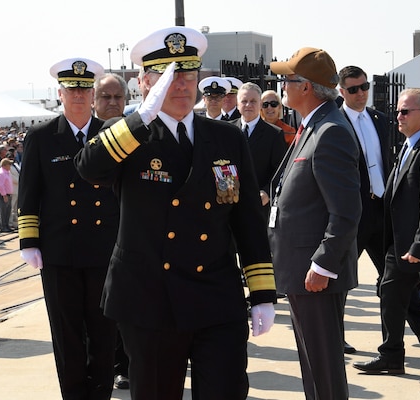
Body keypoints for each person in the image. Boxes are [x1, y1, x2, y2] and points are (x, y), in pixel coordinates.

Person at [74, 26, 277, 400]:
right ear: (145, 81)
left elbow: (246, 217)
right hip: (150, 297)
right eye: (170, 76)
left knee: (227, 391)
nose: (182, 85)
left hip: (216, 293)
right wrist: (139, 119)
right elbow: (89, 168)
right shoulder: (129, 136)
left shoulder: (226, 138)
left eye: (188, 74)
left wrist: (262, 291)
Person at [18, 57, 120, 399]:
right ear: (60, 94)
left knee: (104, 335)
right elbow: (29, 193)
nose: (78, 95)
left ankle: (101, 393)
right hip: (60, 252)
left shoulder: (110, 135)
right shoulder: (42, 137)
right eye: (71, 89)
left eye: (84, 88)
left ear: (93, 94)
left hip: (105, 250)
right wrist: (28, 240)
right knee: (67, 336)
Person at [268, 47, 361, 400]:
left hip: (316, 275)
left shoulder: (330, 132)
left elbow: (346, 211)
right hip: (303, 271)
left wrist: (323, 262)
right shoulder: (314, 127)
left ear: (306, 87)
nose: (282, 87)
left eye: (287, 80)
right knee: (314, 368)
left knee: (323, 371)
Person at [352, 88, 420, 387]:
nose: (399, 116)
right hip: (400, 245)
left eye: (406, 111)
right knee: (390, 293)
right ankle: (391, 355)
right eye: (398, 111)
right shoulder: (408, 145)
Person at [338, 66, 420, 355]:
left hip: (382, 211)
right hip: (352, 213)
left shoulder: (380, 119)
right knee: (342, 276)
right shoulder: (334, 122)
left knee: (393, 277)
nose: (360, 93)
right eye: (353, 89)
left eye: (364, 87)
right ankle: (335, 336)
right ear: (341, 91)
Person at [93, 72, 130, 391]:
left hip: (130, 238)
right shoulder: (87, 138)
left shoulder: (139, 135)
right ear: (94, 101)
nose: (112, 103)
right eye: (105, 97)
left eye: (118, 97)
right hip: (91, 241)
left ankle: (126, 364)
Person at [231, 82, 287, 219]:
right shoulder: (227, 131)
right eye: (244, 101)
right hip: (230, 206)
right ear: (238, 105)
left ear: (260, 105)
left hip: (259, 207)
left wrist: (268, 192)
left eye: (253, 101)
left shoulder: (274, 134)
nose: (248, 105)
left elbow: (281, 171)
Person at [0, 157, 13, 232]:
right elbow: (0, 185)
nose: (10, 166)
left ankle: (6, 225)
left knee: (7, 211)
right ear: (5, 165)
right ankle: (3, 227)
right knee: (3, 211)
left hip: (8, 194)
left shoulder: (7, 172)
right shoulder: (1, 173)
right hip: (2, 195)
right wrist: (4, 195)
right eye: (9, 164)